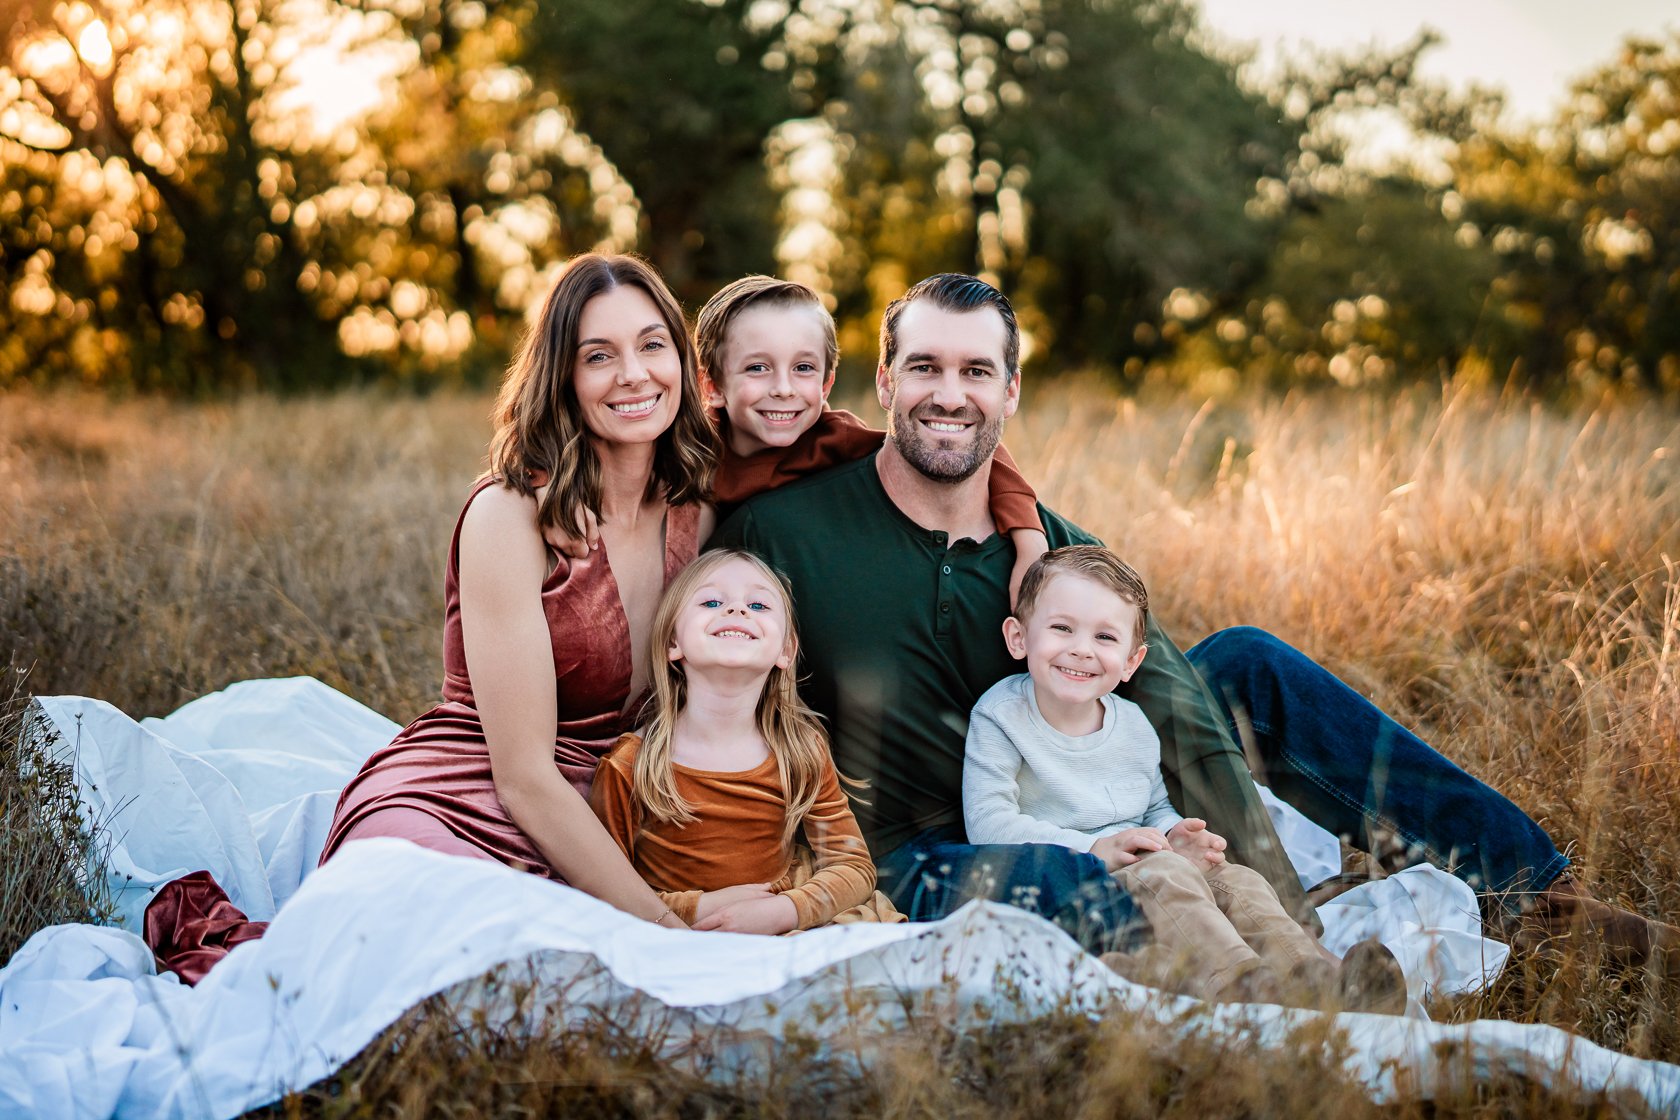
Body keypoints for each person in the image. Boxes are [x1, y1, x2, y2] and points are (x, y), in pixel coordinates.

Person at [710, 272, 1680, 974]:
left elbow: (1171, 699)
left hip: (1083, 785)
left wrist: (1248, 869)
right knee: (1114, 888)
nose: (949, 394)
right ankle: (1287, 979)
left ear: (1012, 390)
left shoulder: (1056, 549)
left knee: (1243, 666)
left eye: (976, 371)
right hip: (928, 844)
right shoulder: (783, 530)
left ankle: (1535, 895)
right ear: (883, 382)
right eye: (924, 367)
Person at [314, 253, 723, 931]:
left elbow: (812, 435)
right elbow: (525, 778)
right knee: (462, 940)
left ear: (682, 361)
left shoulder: (700, 510)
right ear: (562, 376)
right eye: (599, 356)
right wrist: (661, 931)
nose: (633, 374)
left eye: (653, 345)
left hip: (613, 812)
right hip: (471, 804)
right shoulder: (509, 518)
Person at [963, 545, 1404, 1011]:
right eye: (1061, 628)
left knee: (1240, 881)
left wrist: (1176, 833)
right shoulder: (1001, 716)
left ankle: (1314, 976)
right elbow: (988, 823)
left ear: (1132, 662)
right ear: (1018, 637)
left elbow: (1152, 805)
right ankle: (1241, 983)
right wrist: (1095, 849)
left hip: (1149, 859)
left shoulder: (1132, 724)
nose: (1081, 649)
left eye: (1105, 638)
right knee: (1171, 877)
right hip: (1079, 878)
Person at [557, 274, 1050, 600]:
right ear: (711, 385)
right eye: (757, 367)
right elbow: (589, 443)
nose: (783, 389)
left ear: (827, 384)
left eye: (804, 368)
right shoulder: (683, 446)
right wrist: (560, 492)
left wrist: (1028, 541)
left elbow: (961, 446)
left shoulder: (835, 441)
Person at [589, 548, 902, 933]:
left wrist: (784, 911)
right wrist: (698, 907)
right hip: (680, 934)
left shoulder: (799, 750)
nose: (737, 610)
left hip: (789, 920)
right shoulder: (632, 764)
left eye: (758, 604)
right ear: (673, 641)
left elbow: (852, 866)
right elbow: (602, 890)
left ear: (785, 650)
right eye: (712, 601)